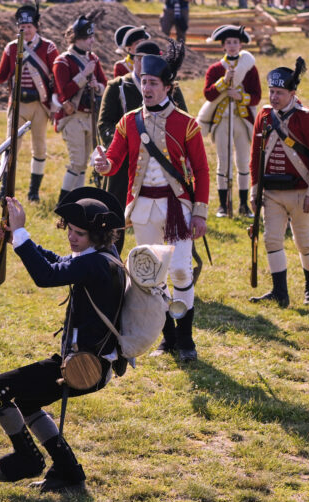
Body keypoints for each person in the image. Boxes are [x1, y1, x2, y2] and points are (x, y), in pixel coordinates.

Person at [0, 187, 125, 493]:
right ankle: (69, 472)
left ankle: (27, 459)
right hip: (89, 362)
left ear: (97, 235)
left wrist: (21, 233)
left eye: (79, 233)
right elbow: (60, 263)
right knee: (28, 400)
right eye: (69, 230)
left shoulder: (95, 264)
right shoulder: (103, 256)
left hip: (84, 367)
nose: (72, 237)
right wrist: (19, 239)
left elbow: (46, 275)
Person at [94, 42, 209, 362]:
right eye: (144, 82)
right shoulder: (128, 121)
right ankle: (168, 337)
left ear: (168, 87)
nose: (146, 88)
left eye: (153, 83)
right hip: (143, 207)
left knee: (181, 271)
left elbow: (201, 170)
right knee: (151, 276)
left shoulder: (186, 124)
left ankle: (186, 339)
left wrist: (200, 213)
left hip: (177, 209)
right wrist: (103, 165)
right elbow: (114, 161)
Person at [248, 57, 309, 307]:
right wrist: (254, 190)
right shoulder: (264, 115)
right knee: (271, 239)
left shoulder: (308, 119)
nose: (274, 97)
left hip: (301, 192)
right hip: (271, 192)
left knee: (303, 241)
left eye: (280, 93)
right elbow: (255, 157)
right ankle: (279, 292)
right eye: (272, 91)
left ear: (292, 94)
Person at [97, 40, 188, 254]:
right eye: (138, 58)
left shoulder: (169, 85)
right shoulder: (118, 86)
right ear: (133, 60)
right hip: (122, 164)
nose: (142, 63)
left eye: (148, 59)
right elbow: (105, 123)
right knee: (116, 213)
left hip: (160, 166)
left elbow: (182, 120)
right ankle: (112, 257)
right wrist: (120, 149)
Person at [0, 4, 58, 202]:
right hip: (17, 104)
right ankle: (4, 190)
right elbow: (2, 76)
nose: (26, 30)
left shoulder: (48, 47)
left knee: (39, 147)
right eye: (22, 26)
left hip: (40, 104)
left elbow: (56, 77)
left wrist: (56, 102)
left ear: (36, 27)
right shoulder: (12, 48)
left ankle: (33, 193)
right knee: (11, 147)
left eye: (29, 26)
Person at [198, 25, 261, 218]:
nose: (232, 46)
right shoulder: (216, 69)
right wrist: (223, 82)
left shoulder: (250, 69)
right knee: (223, 162)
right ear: (223, 46)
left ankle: (243, 204)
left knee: (243, 161)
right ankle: (223, 205)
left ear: (241, 45)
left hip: (241, 121)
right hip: (222, 121)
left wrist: (241, 97)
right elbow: (208, 94)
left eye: (235, 42)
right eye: (228, 42)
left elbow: (256, 96)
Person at [52, 12, 107, 205]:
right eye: (87, 37)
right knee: (76, 163)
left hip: (90, 116)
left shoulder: (93, 59)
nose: (92, 41)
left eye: (92, 36)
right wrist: (84, 75)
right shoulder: (63, 61)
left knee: (83, 164)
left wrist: (96, 86)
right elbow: (63, 91)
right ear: (77, 38)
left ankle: (78, 202)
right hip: (73, 116)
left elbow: (104, 84)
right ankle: (63, 204)